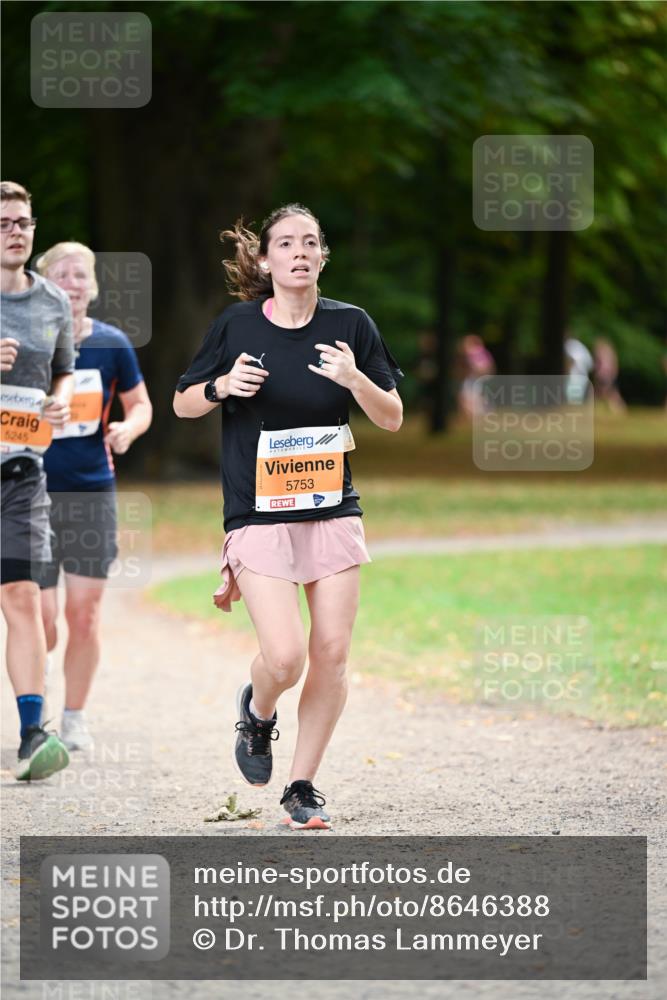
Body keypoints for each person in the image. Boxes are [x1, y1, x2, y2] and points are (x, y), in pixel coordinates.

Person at [174, 203, 403, 829]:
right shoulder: (237, 326)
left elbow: (392, 416)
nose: (299, 252)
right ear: (268, 259)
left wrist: (357, 379)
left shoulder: (351, 325)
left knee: (331, 651)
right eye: (286, 243)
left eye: (311, 242)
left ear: (323, 256)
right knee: (285, 658)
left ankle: (302, 786)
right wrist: (223, 387)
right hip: (256, 515)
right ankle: (259, 711)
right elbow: (183, 403)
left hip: (332, 508)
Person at [35, 242, 152, 751]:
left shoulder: (112, 343)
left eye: (81, 274)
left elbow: (142, 404)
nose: (73, 282)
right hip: (29, 491)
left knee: (83, 614)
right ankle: (32, 713)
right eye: (62, 274)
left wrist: (129, 429)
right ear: (43, 284)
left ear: (93, 285)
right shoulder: (22, 342)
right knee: (40, 619)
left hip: (90, 492)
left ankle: (74, 717)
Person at [0, 180, 73, 780]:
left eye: (22, 221)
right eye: (3, 223)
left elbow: (65, 373)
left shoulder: (51, 301)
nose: (15, 231)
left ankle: (32, 732)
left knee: (23, 597)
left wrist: (59, 402)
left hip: (22, 470)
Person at [593, 338, 626, 413]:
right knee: (604, 393)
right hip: (607, 376)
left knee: (608, 394)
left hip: (604, 375)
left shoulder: (602, 353)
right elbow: (615, 366)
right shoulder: (610, 353)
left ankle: (618, 409)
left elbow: (598, 366)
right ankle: (618, 409)